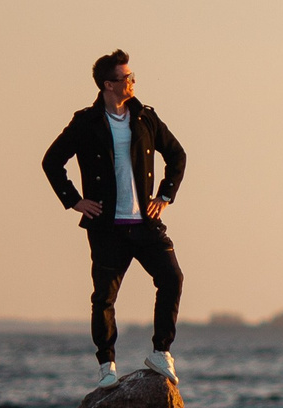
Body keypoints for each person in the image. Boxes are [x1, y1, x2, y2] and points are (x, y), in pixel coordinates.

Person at [41, 51, 186, 389]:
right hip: (107, 227)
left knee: (172, 277)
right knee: (104, 298)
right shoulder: (85, 122)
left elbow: (177, 153)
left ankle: (161, 352)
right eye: (126, 78)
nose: (133, 82)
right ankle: (107, 365)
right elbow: (51, 161)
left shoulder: (146, 118)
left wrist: (164, 196)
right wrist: (75, 201)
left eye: (133, 76)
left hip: (145, 224)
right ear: (109, 84)